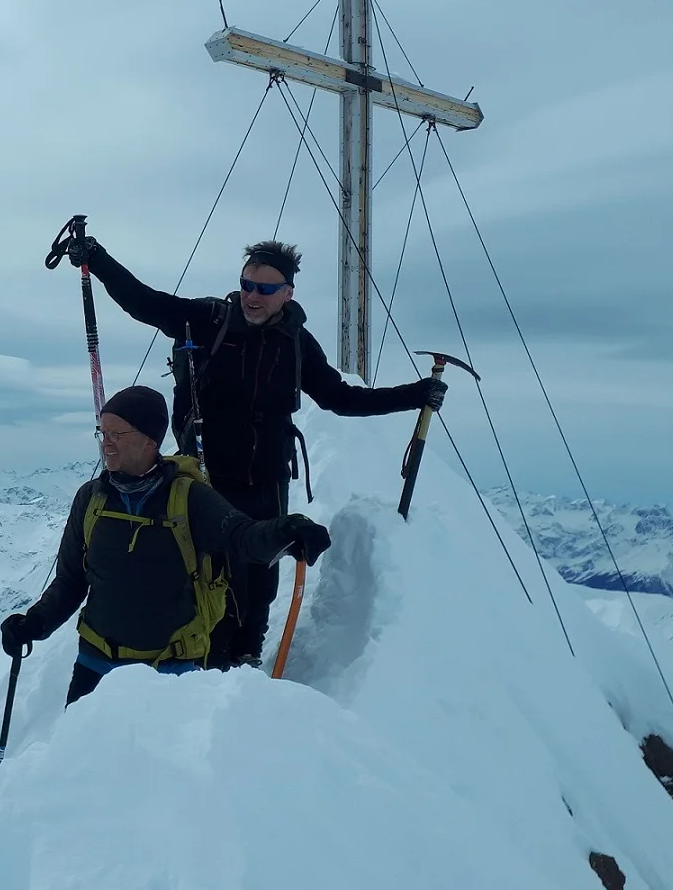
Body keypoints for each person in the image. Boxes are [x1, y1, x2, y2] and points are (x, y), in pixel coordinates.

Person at [64, 234, 444, 668]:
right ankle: (206, 655)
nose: (252, 296)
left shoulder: (297, 343)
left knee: (260, 574)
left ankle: (246, 659)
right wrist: (98, 260)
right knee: (209, 572)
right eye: (247, 285)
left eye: (264, 289)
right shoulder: (208, 320)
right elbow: (145, 302)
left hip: (265, 476)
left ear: (287, 293)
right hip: (203, 478)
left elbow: (342, 399)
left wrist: (416, 394)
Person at [0, 385, 331, 703]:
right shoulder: (91, 499)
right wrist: (34, 624)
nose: (106, 444)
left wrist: (288, 529)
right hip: (96, 670)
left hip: (172, 675)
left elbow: (241, 537)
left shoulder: (189, 498)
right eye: (103, 433)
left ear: (148, 441)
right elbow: (71, 580)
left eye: (117, 434)